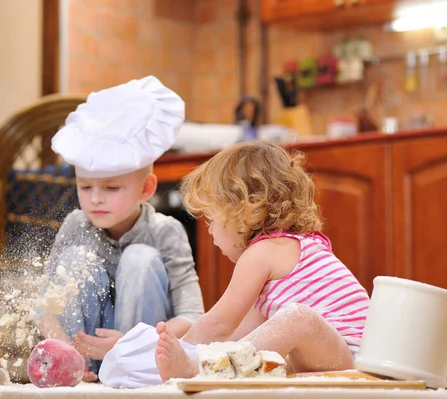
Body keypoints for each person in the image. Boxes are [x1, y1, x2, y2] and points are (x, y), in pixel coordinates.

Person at [33, 76, 204, 381]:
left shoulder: (165, 230)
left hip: (141, 359)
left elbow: (192, 316)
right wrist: (64, 349)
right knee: (76, 260)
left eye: (112, 187)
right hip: (82, 360)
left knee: (140, 258)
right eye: (85, 187)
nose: (96, 198)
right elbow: (45, 307)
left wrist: (132, 344)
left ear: (146, 188)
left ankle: (128, 373)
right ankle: (78, 371)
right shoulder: (76, 225)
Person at [154, 141, 370, 381]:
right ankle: (208, 366)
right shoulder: (283, 252)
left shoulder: (262, 253)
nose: (211, 232)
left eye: (212, 220)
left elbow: (219, 323)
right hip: (338, 354)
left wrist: (184, 350)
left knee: (297, 317)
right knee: (270, 338)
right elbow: (238, 334)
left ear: (242, 212)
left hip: (351, 359)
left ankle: (201, 371)